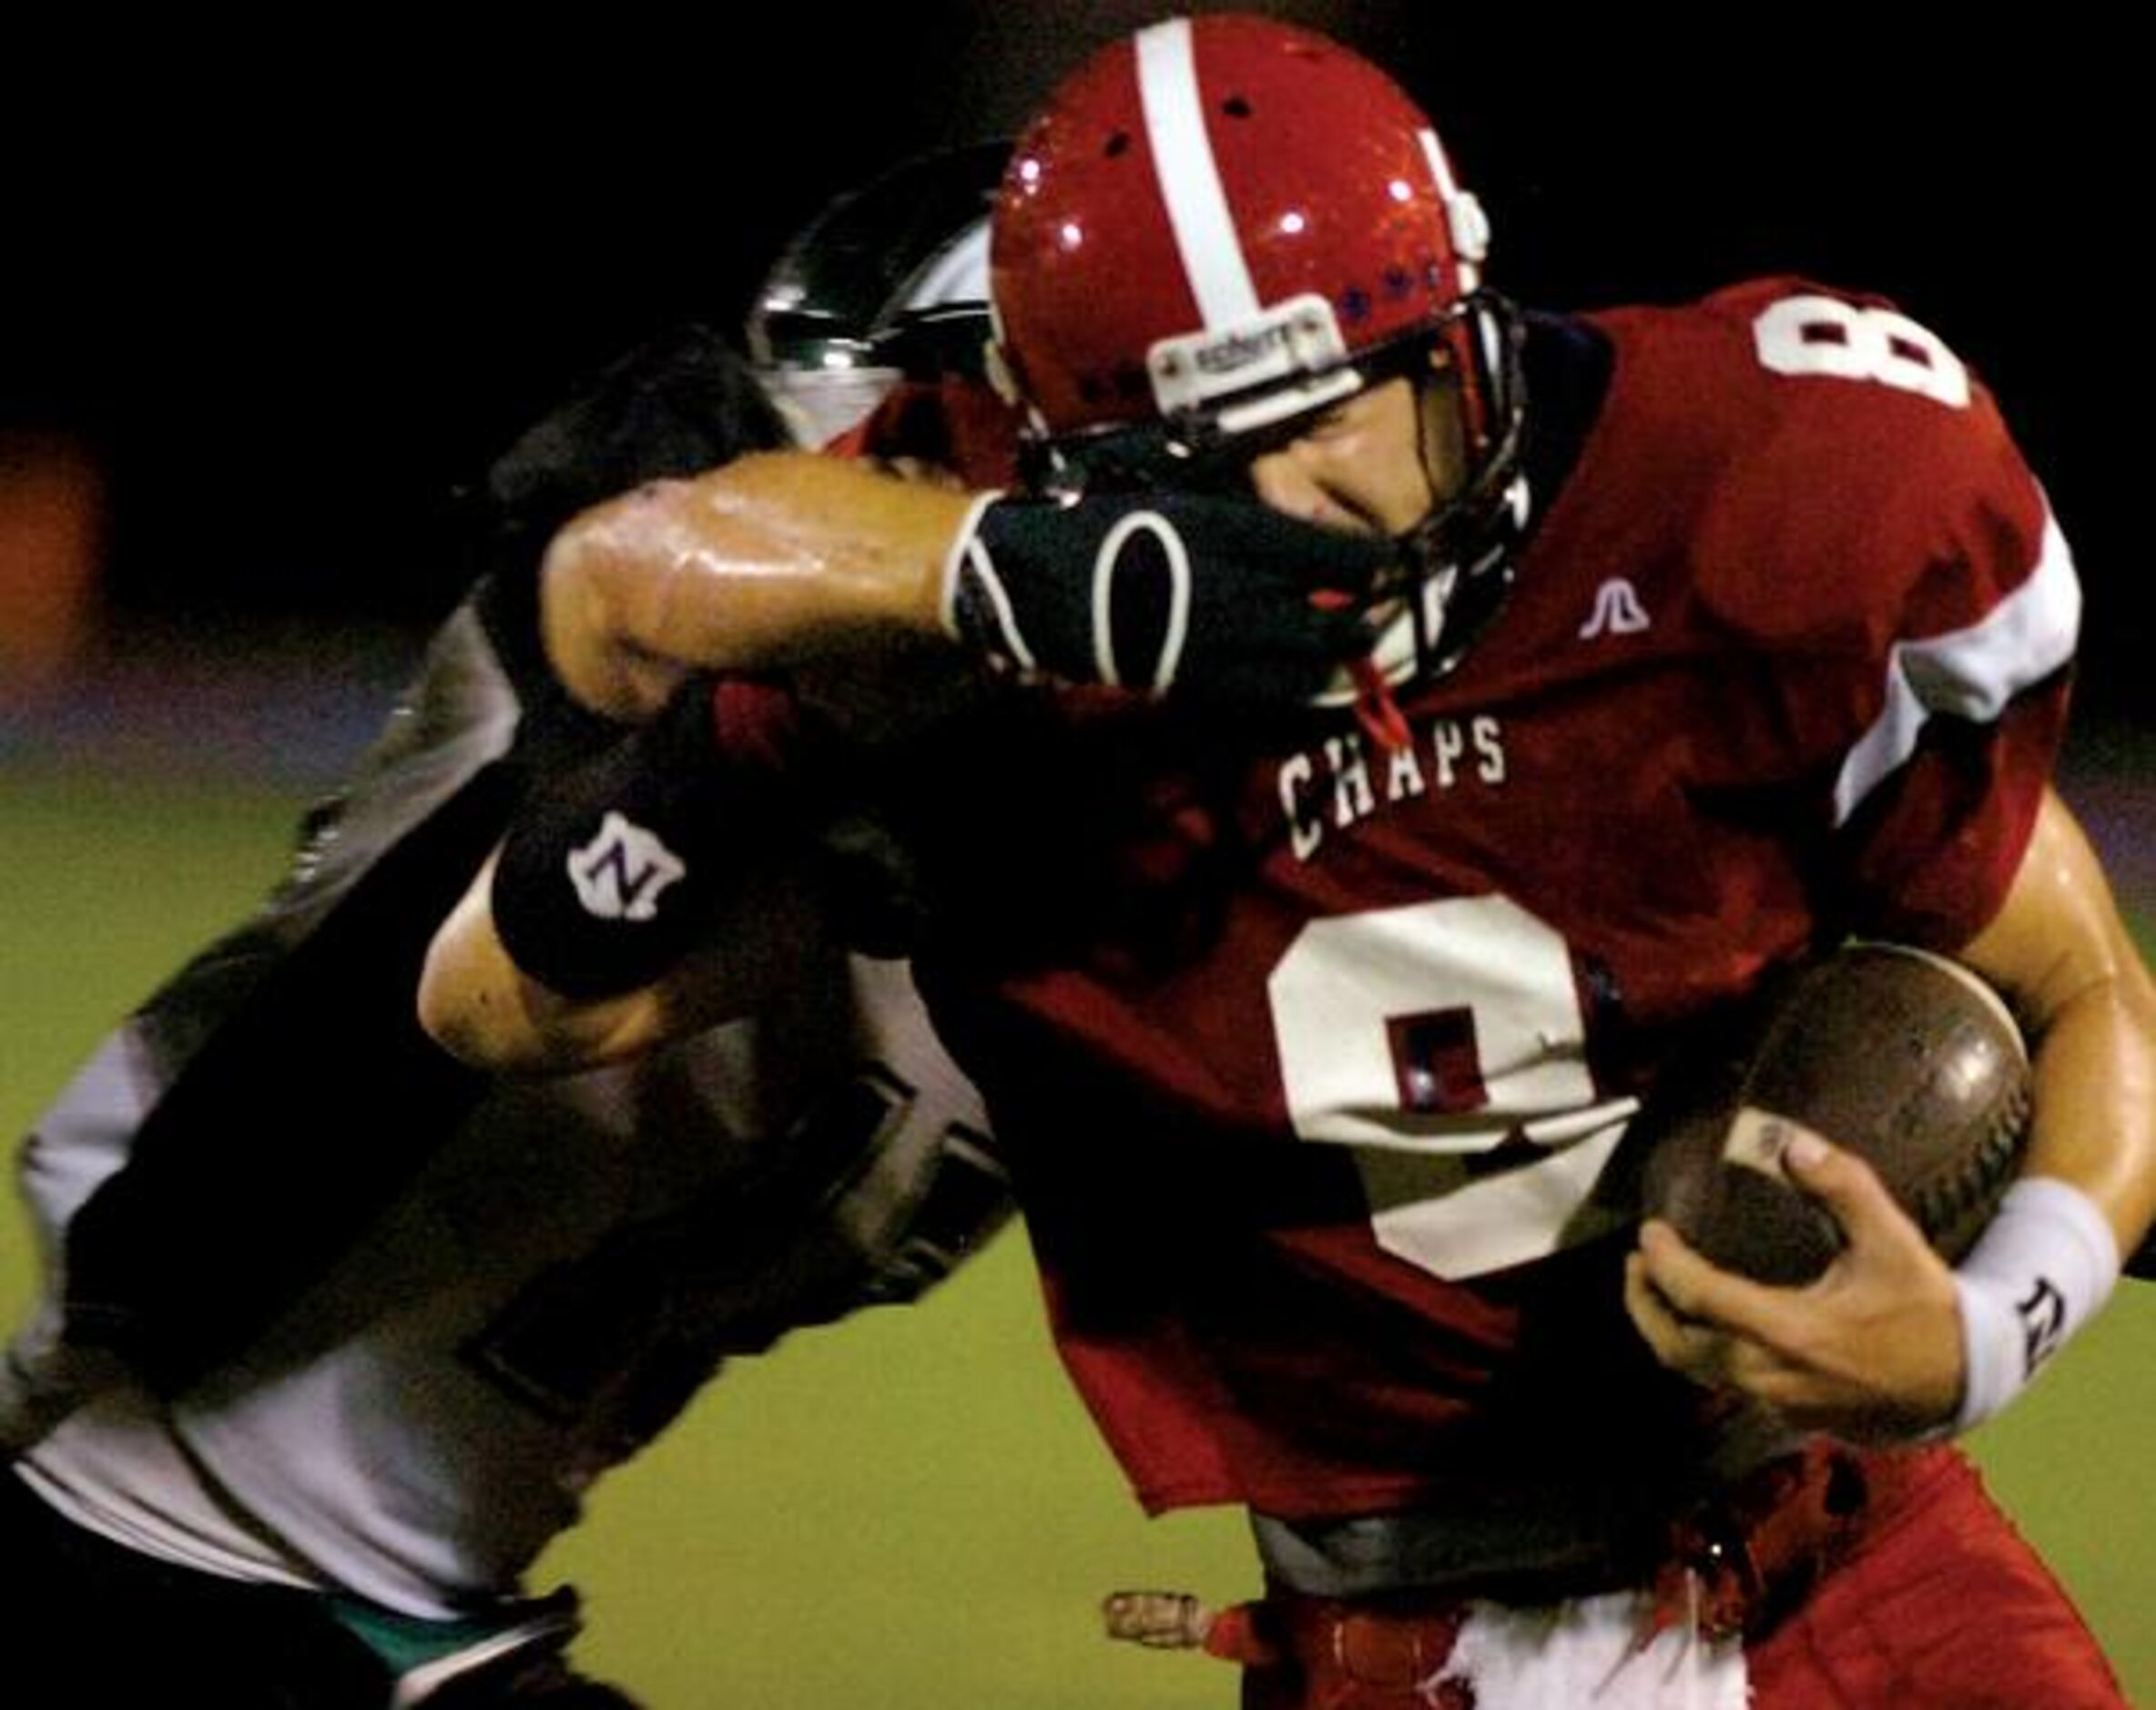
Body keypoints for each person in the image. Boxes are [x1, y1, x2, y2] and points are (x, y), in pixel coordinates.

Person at [418, 15, 2156, 1708]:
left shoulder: (1747, 500)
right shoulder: (1003, 642)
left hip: (1861, 1559)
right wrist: (928, 615)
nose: (1301, 492)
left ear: (1460, 324)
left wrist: (1986, 1330)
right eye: (1209, 459)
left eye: (1343, 401)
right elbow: (515, 948)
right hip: (1411, 1650)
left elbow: (2082, 987)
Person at [0, 148, 1014, 1709]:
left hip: (394, 1602)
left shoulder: (1122, 862)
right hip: (148, 1524)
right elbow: (642, 574)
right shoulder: (648, 594)